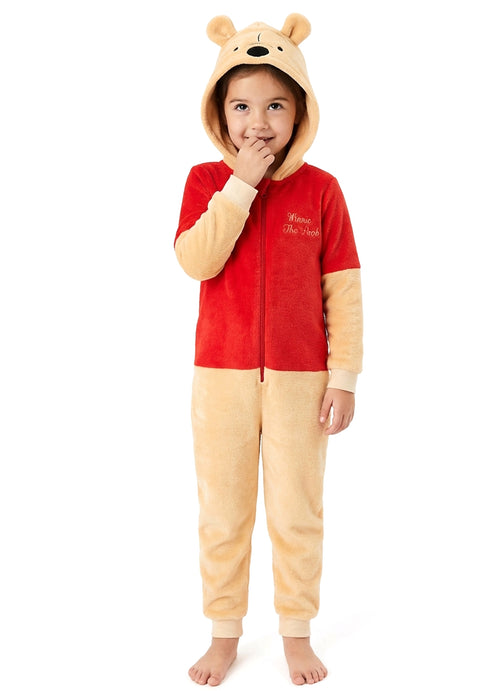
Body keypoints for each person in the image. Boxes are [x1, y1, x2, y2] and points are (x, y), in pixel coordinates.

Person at [174, 13, 363, 686]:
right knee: (223, 511)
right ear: (219, 113)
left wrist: (343, 376)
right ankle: (224, 632)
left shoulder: (322, 190)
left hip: (300, 382)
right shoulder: (205, 182)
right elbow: (195, 261)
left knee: (296, 510)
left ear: (300, 111)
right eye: (242, 106)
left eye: (276, 105)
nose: (258, 121)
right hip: (219, 378)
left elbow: (343, 290)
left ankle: (295, 631)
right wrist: (241, 185)